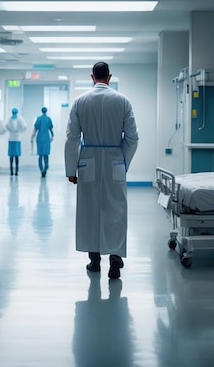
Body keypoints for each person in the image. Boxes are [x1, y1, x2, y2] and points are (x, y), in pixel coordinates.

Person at [64, 62, 139, 279]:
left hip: (88, 161)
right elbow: (133, 137)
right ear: (109, 76)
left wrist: (71, 169)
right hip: (115, 161)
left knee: (89, 210)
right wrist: (122, 160)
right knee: (116, 210)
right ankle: (115, 259)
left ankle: (94, 259)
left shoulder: (80, 102)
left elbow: (71, 139)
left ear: (92, 77)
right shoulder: (123, 101)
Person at [31, 106, 54, 177]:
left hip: (40, 138)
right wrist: (52, 136)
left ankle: (41, 170)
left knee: (40, 155)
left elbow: (35, 129)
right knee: (46, 155)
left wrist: (32, 137)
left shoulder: (39, 119)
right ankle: (45, 168)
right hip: (46, 138)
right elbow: (51, 129)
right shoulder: (48, 119)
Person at [4, 107, 27, 176]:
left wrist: (15, 130)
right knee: (13, 156)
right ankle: (13, 171)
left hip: (15, 138)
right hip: (14, 138)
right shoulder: (11, 119)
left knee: (15, 156)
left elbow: (24, 126)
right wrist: (18, 130)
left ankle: (15, 171)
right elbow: (5, 126)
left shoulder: (19, 119)